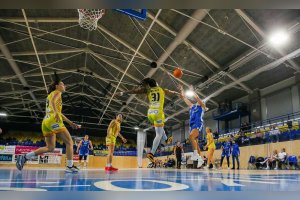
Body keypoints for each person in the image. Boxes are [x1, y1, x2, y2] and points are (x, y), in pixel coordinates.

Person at [16, 74, 80, 172]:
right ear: (57, 86)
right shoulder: (57, 92)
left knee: (50, 147)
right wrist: (55, 112)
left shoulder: (50, 95)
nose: (64, 86)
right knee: (69, 142)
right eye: (62, 84)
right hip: (53, 120)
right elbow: (53, 104)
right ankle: (69, 166)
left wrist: (70, 122)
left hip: (46, 122)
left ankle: (25, 157)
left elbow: (58, 112)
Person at [118, 78, 180, 167]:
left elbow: (135, 91)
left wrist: (123, 92)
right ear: (156, 83)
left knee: (160, 128)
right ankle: (152, 153)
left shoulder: (148, 90)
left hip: (150, 113)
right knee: (158, 134)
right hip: (158, 113)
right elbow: (171, 92)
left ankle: (166, 139)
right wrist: (178, 93)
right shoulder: (161, 90)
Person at [179, 85, 207, 167]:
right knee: (196, 144)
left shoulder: (202, 106)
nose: (200, 101)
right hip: (191, 125)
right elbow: (184, 98)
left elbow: (198, 98)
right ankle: (200, 159)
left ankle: (196, 155)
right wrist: (182, 90)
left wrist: (192, 91)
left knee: (191, 137)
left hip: (198, 123)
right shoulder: (192, 106)